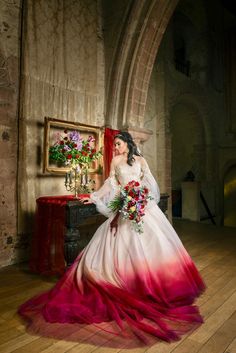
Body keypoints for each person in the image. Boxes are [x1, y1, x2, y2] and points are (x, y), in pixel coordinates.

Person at [18, 131, 205, 345]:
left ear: (127, 143)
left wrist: (141, 199)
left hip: (141, 208)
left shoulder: (142, 160)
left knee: (154, 247)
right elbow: (111, 185)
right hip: (124, 208)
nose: (115, 148)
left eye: (118, 143)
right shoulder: (115, 161)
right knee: (115, 249)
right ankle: (123, 284)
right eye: (114, 144)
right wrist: (94, 196)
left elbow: (150, 185)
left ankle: (153, 287)